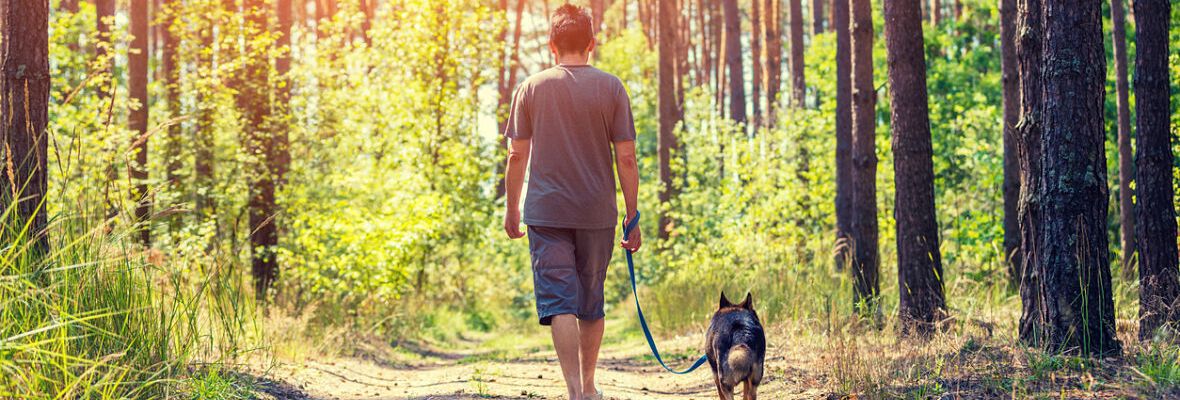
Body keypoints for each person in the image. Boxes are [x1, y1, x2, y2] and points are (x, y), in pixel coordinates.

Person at [501, 4, 641, 400]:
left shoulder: (530, 88)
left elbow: (516, 156)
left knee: (559, 301)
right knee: (590, 301)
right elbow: (626, 159)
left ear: (551, 46)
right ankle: (591, 384)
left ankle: (575, 391)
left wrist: (512, 208)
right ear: (591, 44)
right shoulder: (612, 87)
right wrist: (633, 217)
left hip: (545, 213)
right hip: (597, 213)